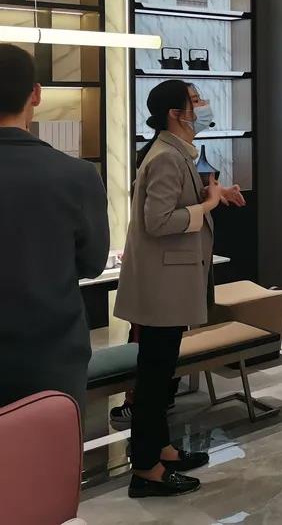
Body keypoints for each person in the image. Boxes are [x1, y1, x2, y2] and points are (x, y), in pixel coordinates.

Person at [116, 79, 245, 498]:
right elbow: (159, 222)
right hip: (162, 289)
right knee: (155, 379)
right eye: (193, 101)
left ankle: (162, 450)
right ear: (176, 113)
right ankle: (146, 470)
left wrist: (215, 194)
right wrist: (207, 205)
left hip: (167, 286)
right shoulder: (167, 157)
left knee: (161, 373)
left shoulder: (174, 152)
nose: (202, 105)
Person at [0, 44, 109, 412]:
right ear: (36, 94)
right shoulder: (77, 175)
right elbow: (92, 263)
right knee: (50, 449)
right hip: (51, 357)